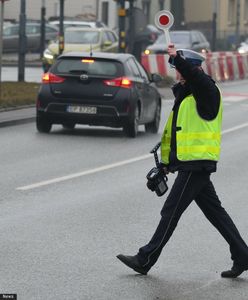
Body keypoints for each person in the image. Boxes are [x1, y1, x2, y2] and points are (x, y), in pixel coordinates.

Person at [117, 44, 248, 278]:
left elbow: (197, 78)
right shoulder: (186, 96)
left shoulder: (207, 91)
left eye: (179, 69)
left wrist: (179, 60)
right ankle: (243, 255)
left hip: (196, 164)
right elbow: (178, 135)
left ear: (192, 69)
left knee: (170, 211)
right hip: (190, 163)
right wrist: (167, 164)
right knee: (215, 213)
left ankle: (145, 259)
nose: (176, 73)